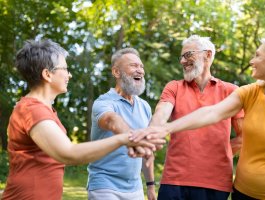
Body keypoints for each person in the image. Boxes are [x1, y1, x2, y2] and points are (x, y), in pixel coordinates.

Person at [133, 33, 265, 199]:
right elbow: (210, 112)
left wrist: (219, 153)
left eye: (257, 56)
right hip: (238, 192)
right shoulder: (249, 92)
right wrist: (159, 130)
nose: (251, 61)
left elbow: (240, 136)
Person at [2, 40, 163, 200]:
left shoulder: (42, 110)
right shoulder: (32, 110)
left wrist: (149, 184)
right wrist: (125, 138)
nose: (69, 74)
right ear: (47, 74)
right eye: (65, 69)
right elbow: (68, 153)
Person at [136, 35, 244, 200]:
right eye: (181, 57)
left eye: (188, 55)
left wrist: (224, 152)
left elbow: (244, 136)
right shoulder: (175, 87)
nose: (182, 61)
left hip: (215, 182)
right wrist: (151, 133)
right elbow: (161, 113)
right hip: (174, 181)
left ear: (207, 55)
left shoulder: (231, 91)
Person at [86, 48, 156, 200]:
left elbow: (147, 151)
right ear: (116, 72)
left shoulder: (145, 107)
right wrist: (134, 140)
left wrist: (150, 186)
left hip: (135, 188)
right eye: (133, 66)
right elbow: (112, 120)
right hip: (104, 185)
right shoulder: (104, 102)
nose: (140, 70)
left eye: (141, 66)